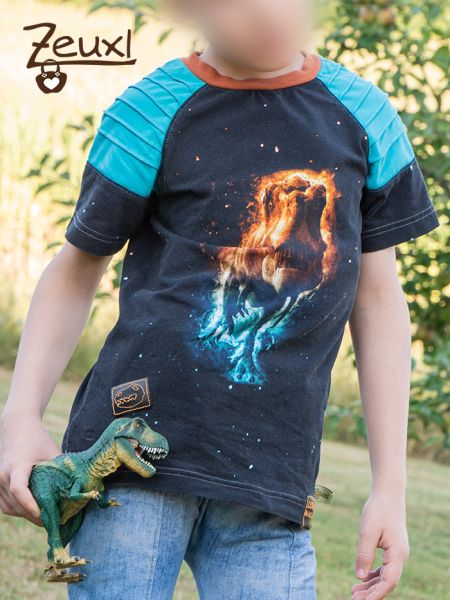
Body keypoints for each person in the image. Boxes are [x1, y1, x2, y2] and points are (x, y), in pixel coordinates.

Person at [0, 0, 440, 598]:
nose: (267, 10)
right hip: (131, 465)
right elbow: (75, 271)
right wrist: (21, 418)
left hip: (272, 492)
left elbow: (380, 301)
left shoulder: (365, 117)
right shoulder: (151, 110)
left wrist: (390, 486)